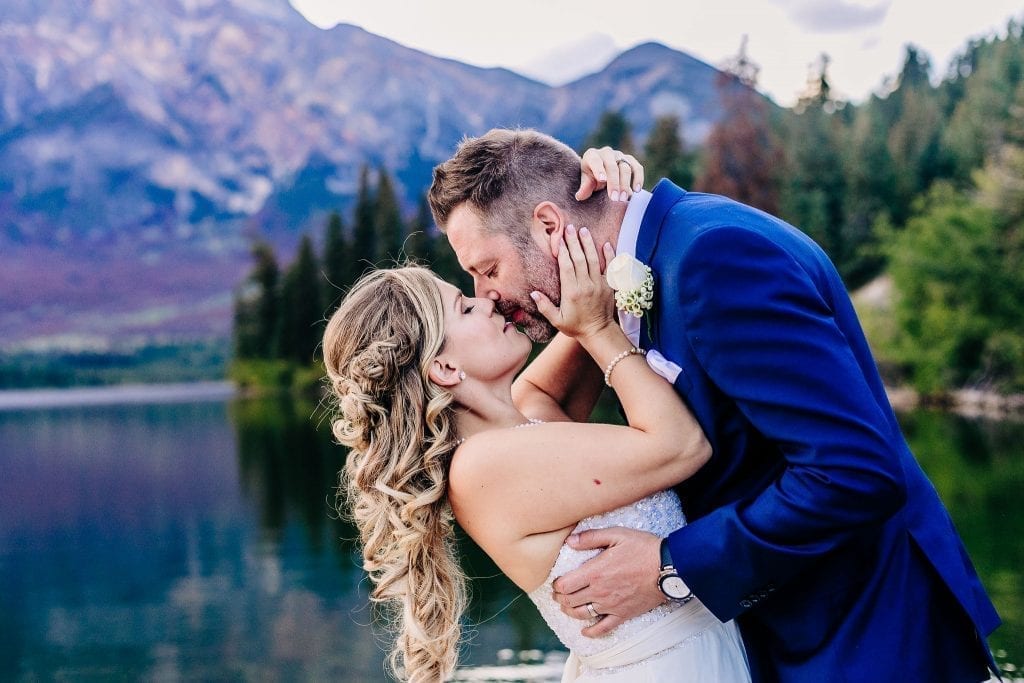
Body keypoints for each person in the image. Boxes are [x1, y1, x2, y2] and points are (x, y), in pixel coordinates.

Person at [427, 128, 1002, 682]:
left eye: (487, 269)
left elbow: (854, 471)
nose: (489, 297)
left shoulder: (713, 259)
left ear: (549, 225)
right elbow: (536, 403)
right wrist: (592, 321)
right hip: (779, 641)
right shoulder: (653, 261)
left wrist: (670, 567)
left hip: (866, 638)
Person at [323, 155, 752, 682]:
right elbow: (682, 445)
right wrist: (597, 330)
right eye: (464, 307)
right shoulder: (484, 467)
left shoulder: (522, 418)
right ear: (445, 367)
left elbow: (584, 307)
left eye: (480, 279)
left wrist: (589, 194)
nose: (488, 301)